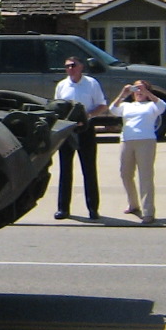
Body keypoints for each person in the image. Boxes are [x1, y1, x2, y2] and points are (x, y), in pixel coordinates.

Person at [52, 54, 109, 219]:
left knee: (89, 169)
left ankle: (93, 208)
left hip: (86, 129)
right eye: (67, 66)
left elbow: (102, 105)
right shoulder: (62, 85)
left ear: (81, 66)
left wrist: (87, 116)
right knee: (65, 169)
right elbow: (57, 106)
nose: (70, 69)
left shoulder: (91, 83)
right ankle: (63, 208)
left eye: (73, 65)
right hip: (67, 130)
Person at [110, 80, 166, 223]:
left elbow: (162, 106)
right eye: (136, 89)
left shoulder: (151, 105)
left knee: (145, 176)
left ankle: (148, 211)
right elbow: (113, 109)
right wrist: (123, 94)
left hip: (146, 141)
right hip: (127, 141)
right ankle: (133, 204)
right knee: (125, 174)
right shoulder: (126, 106)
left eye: (141, 89)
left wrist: (147, 92)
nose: (139, 92)